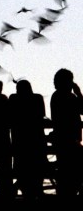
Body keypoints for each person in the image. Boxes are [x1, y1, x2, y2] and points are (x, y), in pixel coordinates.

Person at [9, 79, 48, 200]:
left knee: (22, 167)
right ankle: (37, 190)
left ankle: (25, 191)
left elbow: (10, 115)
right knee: (38, 166)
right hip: (36, 138)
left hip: (19, 139)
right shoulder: (37, 98)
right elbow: (41, 115)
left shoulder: (13, 99)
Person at [50, 68, 83, 196]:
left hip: (63, 140)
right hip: (69, 141)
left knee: (66, 173)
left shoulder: (57, 96)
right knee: (71, 173)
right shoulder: (67, 97)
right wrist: (78, 93)